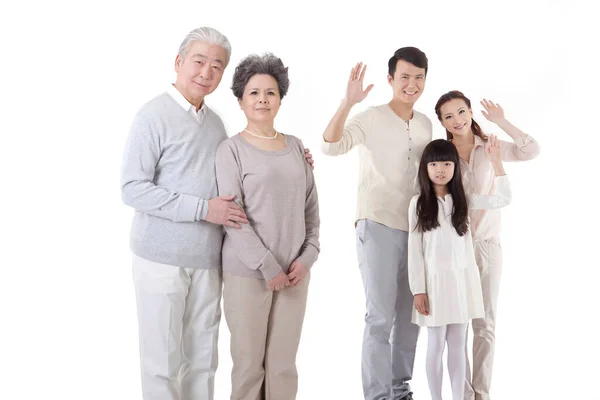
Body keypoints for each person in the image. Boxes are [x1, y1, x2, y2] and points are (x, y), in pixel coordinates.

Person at [120, 27, 314, 400]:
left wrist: (294, 159)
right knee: (161, 362)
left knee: (203, 359)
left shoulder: (216, 125)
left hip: (209, 261)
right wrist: (202, 209)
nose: (206, 72)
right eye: (199, 61)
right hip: (160, 258)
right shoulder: (152, 116)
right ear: (178, 62)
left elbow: (249, 179)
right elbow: (132, 189)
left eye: (217, 66)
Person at [321, 47, 432, 400]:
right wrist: (347, 103)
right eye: (404, 77)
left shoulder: (427, 124)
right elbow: (331, 146)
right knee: (380, 317)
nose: (411, 84)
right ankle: (378, 395)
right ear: (390, 79)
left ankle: (400, 389)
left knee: (410, 317)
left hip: (417, 231)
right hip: (378, 225)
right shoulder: (370, 117)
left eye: (418, 77)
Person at [215, 53, 320, 400]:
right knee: (248, 367)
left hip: (294, 274)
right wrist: (267, 266)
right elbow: (234, 217)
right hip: (248, 273)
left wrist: (306, 259)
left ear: (280, 98)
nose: (262, 99)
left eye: (270, 93)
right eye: (254, 93)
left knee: (282, 365)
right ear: (241, 100)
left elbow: (311, 212)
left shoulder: (297, 148)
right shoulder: (230, 150)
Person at [434, 91, 541, 400]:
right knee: (457, 327)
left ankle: (481, 394)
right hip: (453, 248)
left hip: (487, 247)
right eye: (448, 116)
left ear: (470, 111)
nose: (457, 120)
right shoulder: (443, 153)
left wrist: (501, 121)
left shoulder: (490, 146)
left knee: (485, 325)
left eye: (461, 111)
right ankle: (462, 394)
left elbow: (531, 150)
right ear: (442, 122)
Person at [408, 138, 511, 400]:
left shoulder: (463, 201)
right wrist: (418, 290)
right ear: (425, 168)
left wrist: (498, 163)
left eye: (446, 163)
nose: (440, 169)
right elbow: (414, 251)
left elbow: (503, 198)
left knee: (457, 346)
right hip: (433, 286)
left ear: (455, 167)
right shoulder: (418, 204)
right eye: (434, 164)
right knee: (435, 346)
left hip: (461, 285)